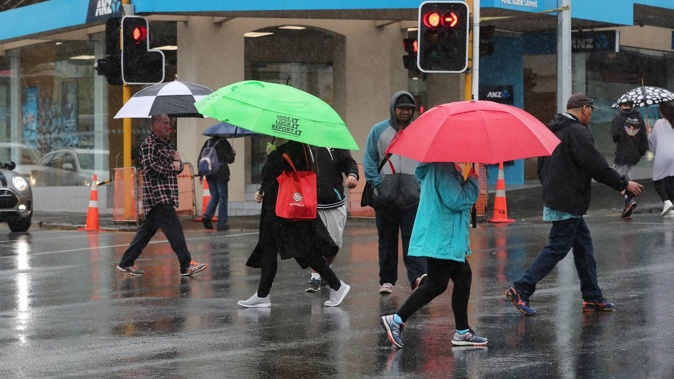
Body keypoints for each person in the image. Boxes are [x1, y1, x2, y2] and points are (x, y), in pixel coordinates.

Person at [504, 93, 644, 316]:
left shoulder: (552, 128)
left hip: (559, 196)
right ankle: (521, 288)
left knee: (583, 248)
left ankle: (592, 296)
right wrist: (624, 183)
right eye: (591, 110)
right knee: (558, 247)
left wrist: (550, 188)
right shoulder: (577, 132)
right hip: (568, 199)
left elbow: (542, 165)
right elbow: (596, 165)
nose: (590, 114)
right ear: (585, 109)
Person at [380, 162, 488, 348]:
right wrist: (473, 181)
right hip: (443, 237)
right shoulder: (443, 167)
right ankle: (396, 320)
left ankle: (462, 331)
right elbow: (456, 200)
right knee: (435, 284)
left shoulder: (442, 167)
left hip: (445, 236)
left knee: (461, 277)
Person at [238, 139, 350, 308]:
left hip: (286, 210)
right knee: (269, 250)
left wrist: (273, 155)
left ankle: (337, 286)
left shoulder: (297, 148)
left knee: (305, 250)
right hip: (276, 208)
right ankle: (262, 294)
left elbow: (277, 171)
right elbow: (271, 176)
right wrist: (263, 188)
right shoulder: (292, 147)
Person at [117, 114, 208, 277]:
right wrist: (172, 167)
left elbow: (176, 168)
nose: (169, 126)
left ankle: (126, 262)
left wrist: (177, 162)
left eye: (169, 123)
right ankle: (186, 264)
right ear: (155, 124)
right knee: (175, 230)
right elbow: (149, 168)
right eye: (165, 123)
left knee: (146, 232)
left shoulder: (166, 145)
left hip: (166, 194)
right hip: (157, 196)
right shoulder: (148, 144)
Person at [363, 91, 427, 295]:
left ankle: (418, 277)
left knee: (414, 240)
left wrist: (420, 184)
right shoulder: (378, 130)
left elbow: (427, 158)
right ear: (393, 108)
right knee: (386, 240)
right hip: (385, 198)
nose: (405, 112)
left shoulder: (420, 130)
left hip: (413, 197)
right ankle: (387, 281)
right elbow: (370, 159)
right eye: (401, 108)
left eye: (409, 108)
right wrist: (377, 183)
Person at [304, 147, 359, 292]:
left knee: (333, 244)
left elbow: (349, 162)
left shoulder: (335, 141)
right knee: (313, 243)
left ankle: (325, 270)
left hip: (334, 202)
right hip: (312, 203)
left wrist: (352, 175)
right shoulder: (304, 143)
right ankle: (315, 277)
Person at [611, 100, 648, 219]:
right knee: (629, 181)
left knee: (615, 179)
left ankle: (629, 200)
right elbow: (643, 141)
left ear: (622, 106)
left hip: (622, 155)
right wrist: (639, 153)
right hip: (634, 156)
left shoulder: (618, 117)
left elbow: (615, 135)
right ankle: (628, 209)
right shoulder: (639, 119)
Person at [198, 136, 236, 231]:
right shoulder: (224, 142)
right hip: (221, 173)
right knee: (223, 197)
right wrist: (233, 153)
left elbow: (201, 158)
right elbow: (230, 159)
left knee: (214, 196)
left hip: (210, 173)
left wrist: (201, 174)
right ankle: (221, 224)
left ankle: (207, 215)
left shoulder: (207, 142)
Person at [648, 101, 674, 217]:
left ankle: (666, 201)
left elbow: (652, 145)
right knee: (670, 179)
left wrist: (648, 132)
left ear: (662, 111)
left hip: (663, 155)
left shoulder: (659, 123)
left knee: (657, 179)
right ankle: (671, 206)